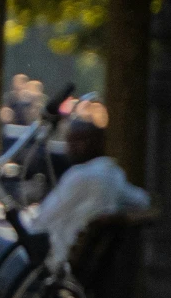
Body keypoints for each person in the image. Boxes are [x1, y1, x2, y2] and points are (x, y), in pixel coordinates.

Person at [24, 113, 148, 266]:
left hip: (54, 264)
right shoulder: (113, 173)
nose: (70, 146)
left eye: (78, 140)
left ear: (96, 142)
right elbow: (143, 201)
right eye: (70, 140)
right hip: (86, 264)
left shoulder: (79, 176)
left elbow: (41, 222)